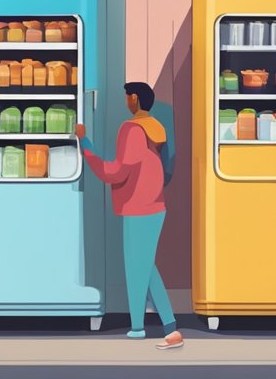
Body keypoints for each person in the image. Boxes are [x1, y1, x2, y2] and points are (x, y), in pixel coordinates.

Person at [77, 82, 183, 350]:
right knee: (146, 267)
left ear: (134, 98)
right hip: (156, 203)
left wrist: (85, 144)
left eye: (127, 97)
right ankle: (170, 327)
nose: (126, 102)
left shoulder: (131, 129)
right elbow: (169, 165)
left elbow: (116, 171)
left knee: (137, 269)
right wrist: (155, 185)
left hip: (137, 205)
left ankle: (139, 327)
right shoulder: (158, 127)